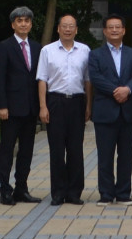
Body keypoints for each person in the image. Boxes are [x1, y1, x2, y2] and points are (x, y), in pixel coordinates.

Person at [37, 14, 92, 206]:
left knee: (76, 149)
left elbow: (88, 80)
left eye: (71, 26)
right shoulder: (47, 51)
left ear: (76, 29)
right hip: (55, 102)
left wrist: (88, 105)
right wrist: (43, 106)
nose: (68, 29)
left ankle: (74, 193)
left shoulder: (85, 50)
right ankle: (58, 193)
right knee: (57, 150)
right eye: (64, 26)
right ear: (58, 29)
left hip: (77, 102)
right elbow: (42, 79)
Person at [88, 14, 132, 205]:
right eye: (110, 27)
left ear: (123, 30)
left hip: (127, 112)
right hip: (105, 111)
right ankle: (106, 193)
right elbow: (95, 77)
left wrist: (127, 89)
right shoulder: (95, 54)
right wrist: (116, 91)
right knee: (105, 155)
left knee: (126, 155)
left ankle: (123, 193)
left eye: (117, 27)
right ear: (104, 31)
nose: (114, 30)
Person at [0, 6, 43, 206]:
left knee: (26, 151)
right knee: (7, 150)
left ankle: (21, 188)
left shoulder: (37, 48)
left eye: (27, 21)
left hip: (31, 109)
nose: (23, 24)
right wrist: (1, 105)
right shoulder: (3, 47)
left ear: (31, 24)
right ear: (13, 24)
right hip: (10, 109)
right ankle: (5, 190)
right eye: (19, 21)